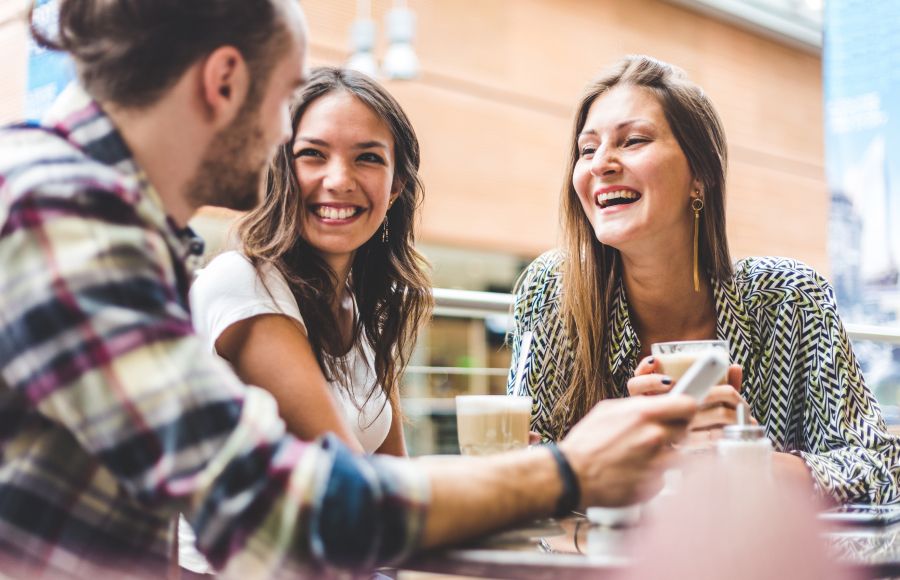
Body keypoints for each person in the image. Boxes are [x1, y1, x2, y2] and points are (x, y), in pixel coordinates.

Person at [0, 3, 698, 578]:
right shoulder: (61, 215)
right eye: (287, 105)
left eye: (367, 157)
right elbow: (276, 509)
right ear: (223, 82)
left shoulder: (105, 217)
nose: (284, 138)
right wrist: (566, 470)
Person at [507, 54, 900, 505]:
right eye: (587, 149)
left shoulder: (790, 298)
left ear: (701, 174)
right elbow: (522, 464)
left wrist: (749, 460)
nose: (601, 164)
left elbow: (881, 468)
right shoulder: (550, 290)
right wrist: (617, 452)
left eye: (632, 140)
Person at [190, 67, 431, 458]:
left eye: (367, 157)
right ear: (279, 169)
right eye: (312, 154)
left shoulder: (363, 308)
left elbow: (393, 473)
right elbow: (355, 483)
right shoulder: (244, 284)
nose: (339, 180)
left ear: (395, 188)